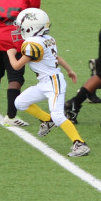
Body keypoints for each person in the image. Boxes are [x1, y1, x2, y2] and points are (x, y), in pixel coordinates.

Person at [7, 9, 91, 157]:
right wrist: (70, 70)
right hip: (45, 82)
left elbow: (16, 66)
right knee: (20, 102)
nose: (19, 30)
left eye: (21, 26)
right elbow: (56, 57)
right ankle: (47, 120)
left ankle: (80, 143)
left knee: (58, 115)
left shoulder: (33, 44)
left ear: (31, 27)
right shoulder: (46, 38)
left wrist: (10, 54)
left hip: (53, 82)